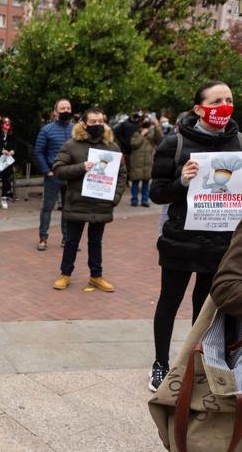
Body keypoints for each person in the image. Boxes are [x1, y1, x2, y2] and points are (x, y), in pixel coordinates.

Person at [148, 80, 241, 392]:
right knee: (169, 302)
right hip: (179, 241)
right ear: (199, 108)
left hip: (220, 244)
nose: (224, 106)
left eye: (228, 100)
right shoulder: (173, 143)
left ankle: (195, 365)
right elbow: (157, 193)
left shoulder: (239, 141)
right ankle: (160, 364)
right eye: (216, 101)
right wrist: (182, 181)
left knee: (206, 310)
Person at [51, 108, 126, 292]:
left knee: (96, 242)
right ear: (83, 123)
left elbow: (122, 174)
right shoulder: (71, 145)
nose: (98, 125)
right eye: (93, 122)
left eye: (101, 121)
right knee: (71, 241)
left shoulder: (112, 147)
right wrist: (80, 167)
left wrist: (114, 198)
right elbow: (58, 169)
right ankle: (65, 274)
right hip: (77, 202)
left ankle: (96, 276)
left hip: (101, 204)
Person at [34, 99, 74, 251]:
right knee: (47, 208)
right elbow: (38, 151)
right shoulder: (47, 130)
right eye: (62, 108)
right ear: (56, 111)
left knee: (68, 209)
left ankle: (67, 239)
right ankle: (43, 238)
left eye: (68, 108)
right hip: (53, 175)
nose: (66, 110)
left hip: (71, 175)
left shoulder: (76, 129)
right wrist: (47, 171)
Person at [129, 115, 162, 207]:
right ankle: (134, 199)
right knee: (135, 181)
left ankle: (145, 200)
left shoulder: (153, 132)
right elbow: (134, 144)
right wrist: (142, 134)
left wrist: (157, 126)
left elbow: (160, 139)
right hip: (136, 161)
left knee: (146, 182)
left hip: (148, 160)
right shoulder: (136, 133)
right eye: (144, 120)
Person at [0, 116, 16, 209]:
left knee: (6, 178)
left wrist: (12, 151)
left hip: (6, 160)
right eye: (5, 122)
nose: (7, 124)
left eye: (9, 122)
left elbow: (14, 146)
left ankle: (4, 198)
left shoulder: (11, 135)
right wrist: (1, 151)